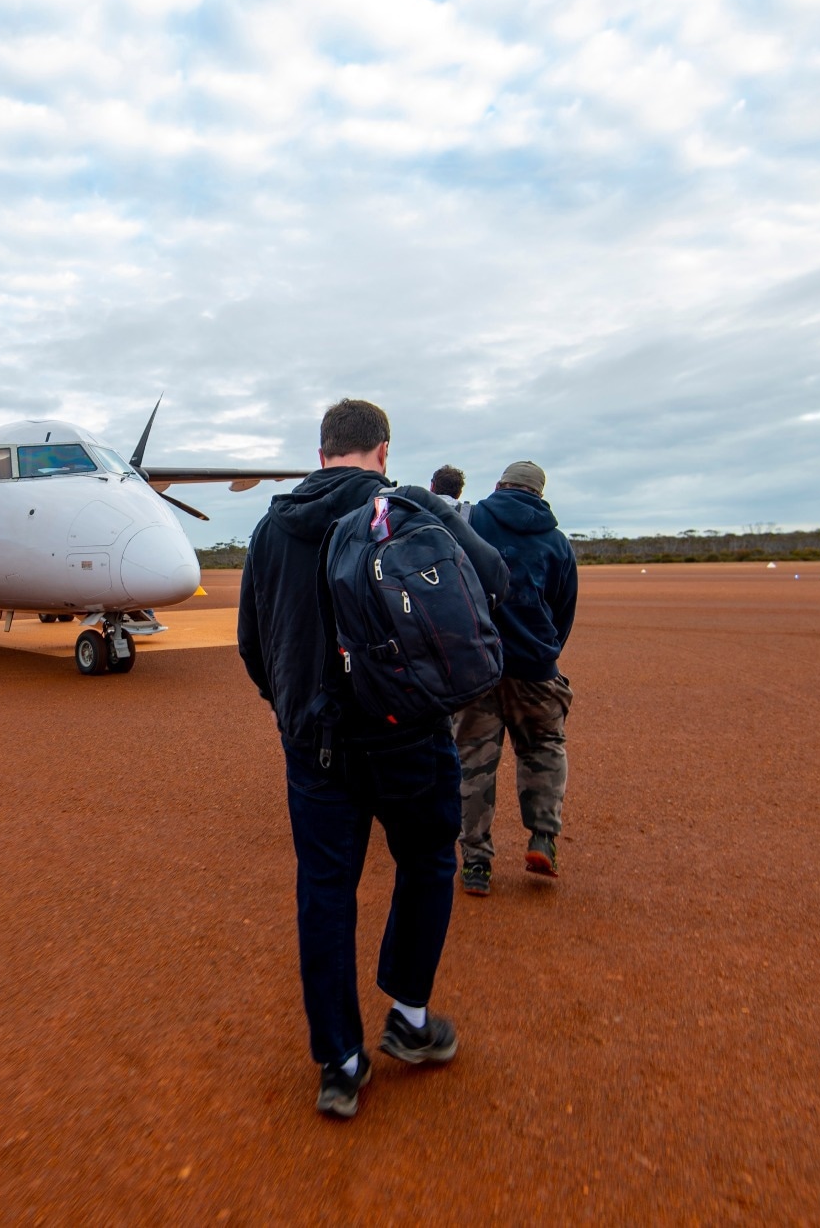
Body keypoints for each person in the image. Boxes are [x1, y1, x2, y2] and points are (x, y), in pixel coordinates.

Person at [237, 399, 510, 1118]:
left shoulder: (271, 529)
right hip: (408, 732)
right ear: (381, 452)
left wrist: (292, 710)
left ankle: (340, 1061)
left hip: (314, 746)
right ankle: (411, 1018)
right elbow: (493, 580)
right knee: (428, 861)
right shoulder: (409, 507)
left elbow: (252, 643)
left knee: (324, 891)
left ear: (320, 450)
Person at [455, 460, 578, 896]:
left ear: (499, 485)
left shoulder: (466, 524)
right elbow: (563, 613)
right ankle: (543, 837)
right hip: (535, 668)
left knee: (472, 762)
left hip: (478, 668)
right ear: (539, 494)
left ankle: (476, 863)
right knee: (544, 747)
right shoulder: (558, 543)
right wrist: (542, 654)